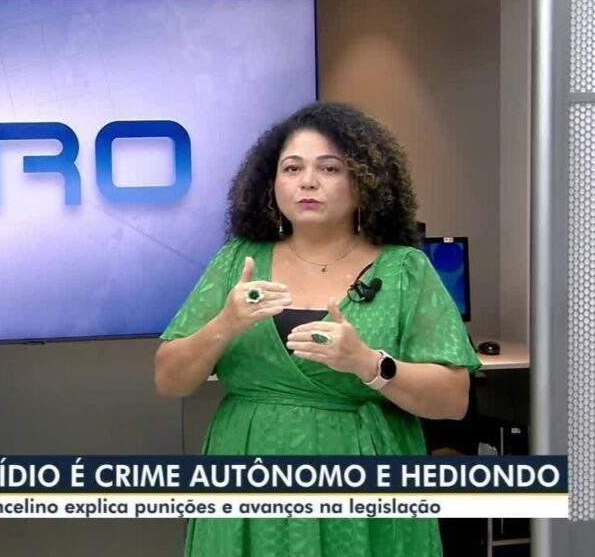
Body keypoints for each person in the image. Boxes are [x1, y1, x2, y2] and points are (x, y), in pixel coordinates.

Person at [154, 101, 481, 557]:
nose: (308, 182)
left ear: (365, 182)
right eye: (292, 168)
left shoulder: (406, 269)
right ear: (271, 184)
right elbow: (170, 380)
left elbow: (453, 399)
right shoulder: (236, 261)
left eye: (329, 168)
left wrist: (370, 365)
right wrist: (225, 324)